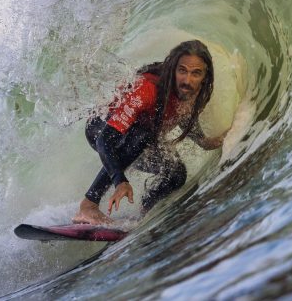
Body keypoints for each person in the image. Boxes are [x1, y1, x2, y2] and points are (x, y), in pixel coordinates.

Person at [73, 40, 227, 225]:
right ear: (173, 69)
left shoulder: (196, 91)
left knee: (176, 174)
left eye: (196, 73)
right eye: (182, 71)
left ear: (205, 76)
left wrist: (205, 141)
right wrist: (119, 180)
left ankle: (144, 212)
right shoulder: (147, 90)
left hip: (138, 138)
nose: (187, 80)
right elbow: (104, 141)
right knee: (142, 135)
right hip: (101, 129)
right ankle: (88, 205)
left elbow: (181, 114)